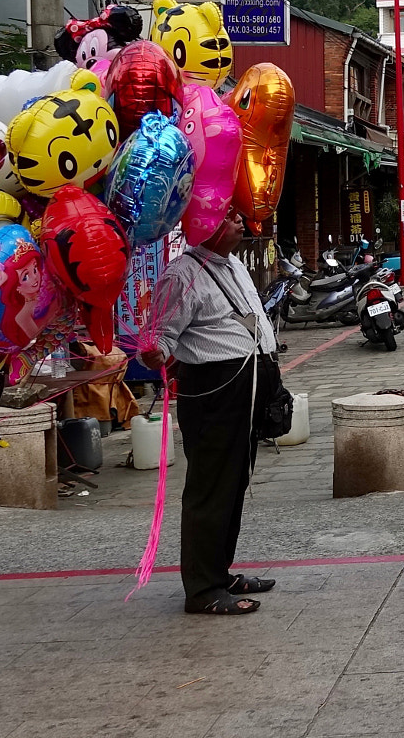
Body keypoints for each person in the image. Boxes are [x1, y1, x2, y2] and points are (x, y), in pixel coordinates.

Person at [152, 206, 279, 614]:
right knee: (211, 488)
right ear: (202, 225)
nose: (239, 221)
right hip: (213, 393)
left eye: (236, 214)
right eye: (227, 216)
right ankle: (203, 589)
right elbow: (161, 337)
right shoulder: (180, 275)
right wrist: (152, 350)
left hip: (248, 386)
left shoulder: (235, 266)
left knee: (235, 483)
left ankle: (220, 571)